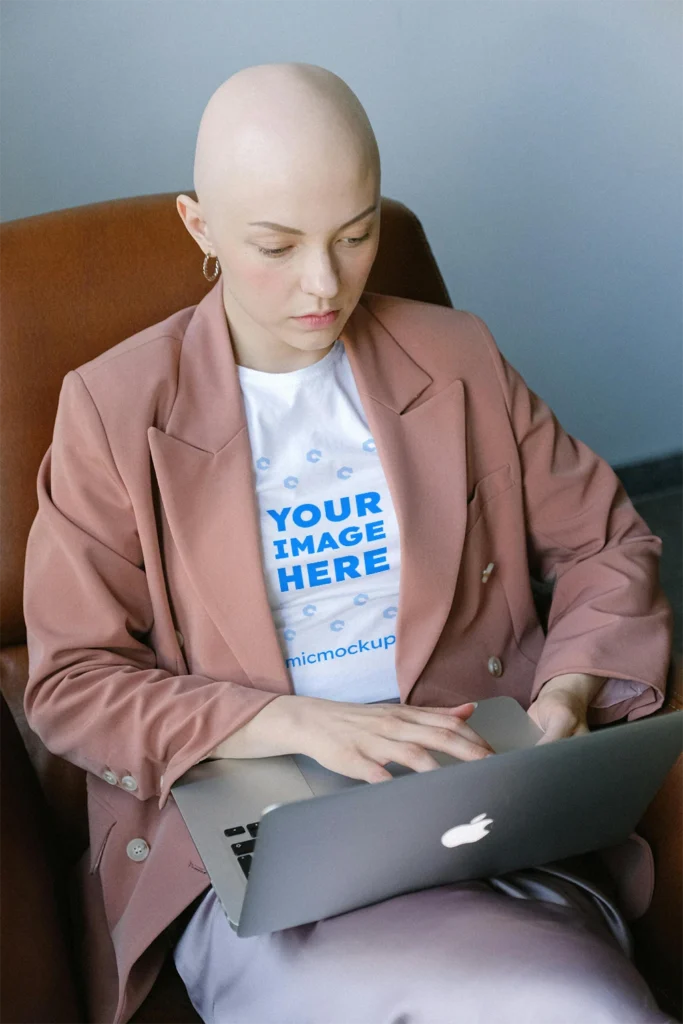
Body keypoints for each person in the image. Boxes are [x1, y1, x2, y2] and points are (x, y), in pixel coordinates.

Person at [22, 62, 674, 1024]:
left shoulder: (457, 358)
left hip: (475, 802)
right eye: (276, 247)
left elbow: (608, 546)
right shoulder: (115, 410)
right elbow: (70, 682)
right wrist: (297, 723)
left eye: (356, 233)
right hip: (259, 831)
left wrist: (566, 694)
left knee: (574, 1004)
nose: (323, 285)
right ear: (199, 227)